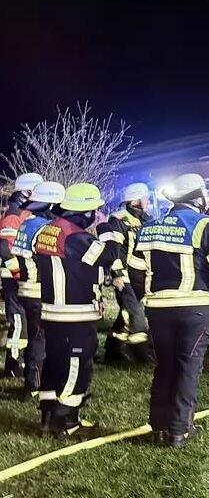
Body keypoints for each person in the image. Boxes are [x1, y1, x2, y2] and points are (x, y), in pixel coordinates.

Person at [130, 173, 209, 447]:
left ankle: (159, 428)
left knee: (164, 367)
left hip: (158, 311)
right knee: (187, 368)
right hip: (197, 311)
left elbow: (136, 271)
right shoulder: (208, 227)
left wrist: (148, 297)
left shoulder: (149, 228)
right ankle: (180, 430)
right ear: (198, 197)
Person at [34, 183, 122, 438]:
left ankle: (48, 415)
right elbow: (110, 254)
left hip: (51, 312)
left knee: (53, 363)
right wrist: (106, 227)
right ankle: (67, 421)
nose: (96, 215)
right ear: (84, 212)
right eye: (94, 211)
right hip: (75, 313)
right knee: (77, 365)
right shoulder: (77, 237)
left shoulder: (47, 231)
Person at [9, 181, 65, 400]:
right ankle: (37, 385)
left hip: (26, 290)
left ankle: (31, 384)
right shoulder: (44, 229)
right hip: (41, 292)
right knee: (42, 340)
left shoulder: (26, 224)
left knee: (34, 339)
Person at [98, 182, 153, 364]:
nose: (147, 200)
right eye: (145, 197)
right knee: (136, 316)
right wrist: (117, 275)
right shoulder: (119, 220)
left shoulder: (146, 219)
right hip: (125, 276)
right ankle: (141, 355)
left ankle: (112, 352)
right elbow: (114, 250)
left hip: (142, 276)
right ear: (136, 200)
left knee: (125, 314)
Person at [1, 172, 43, 379]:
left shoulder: (23, 214)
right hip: (12, 277)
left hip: (22, 276)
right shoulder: (13, 216)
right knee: (18, 321)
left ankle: (22, 360)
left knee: (25, 322)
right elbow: (5, 248)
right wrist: (18, 273)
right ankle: (12, 364)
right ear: (27, 192)